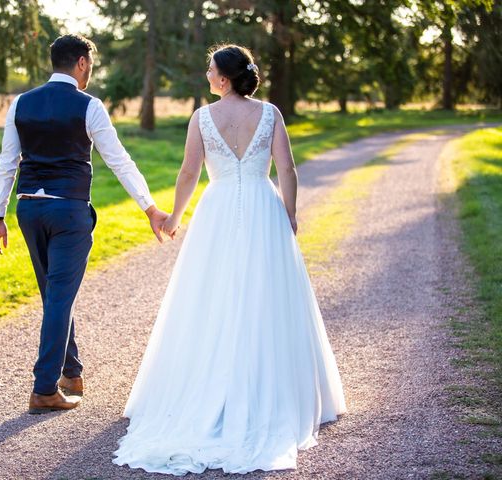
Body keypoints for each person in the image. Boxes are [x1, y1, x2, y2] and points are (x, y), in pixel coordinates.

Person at [113, 44, 347, 474]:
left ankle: (207, 389)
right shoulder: (271, 114)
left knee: (211, 294)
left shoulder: (203, 118)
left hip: (217, 209)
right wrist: (290, 213)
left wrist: (174, 218)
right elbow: (287, 169)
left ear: (223, 79)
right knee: (266, 293)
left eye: (210, 69)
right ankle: (269, 389)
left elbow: (189, 172)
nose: (207, 74)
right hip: (263, 205)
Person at [0, 34, 170, 414]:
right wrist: (150, 208)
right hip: (68, 213)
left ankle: (71, 372)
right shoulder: (89, 106)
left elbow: (8, 163)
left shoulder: (21, 103)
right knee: (59, 297)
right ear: (82, 63)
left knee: (55, 296)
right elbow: (119, 160)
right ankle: (43, 389)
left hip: (29, 211)